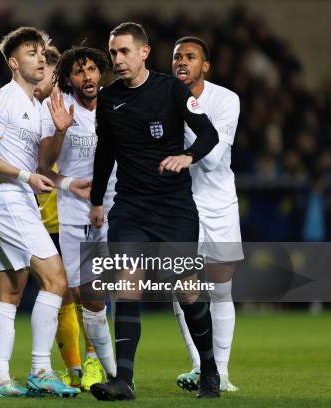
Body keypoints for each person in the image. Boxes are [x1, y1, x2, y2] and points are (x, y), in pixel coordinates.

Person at [87, 22, 220, 400]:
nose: (117, 59)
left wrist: (187, 155)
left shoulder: (172, 90)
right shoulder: (109, 99)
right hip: (130, 207)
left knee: (187, 291)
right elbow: (105, 154)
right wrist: (98, 200)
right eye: (113, 52)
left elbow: (208, 133)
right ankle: (124, 380)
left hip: (174, 207)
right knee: (127, 284)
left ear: (144, 52)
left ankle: (209, 369)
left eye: (124, 51)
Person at [0, 26, 80, 398]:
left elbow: (43, 165)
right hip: (7, 200)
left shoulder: (34, 106)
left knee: (9, 290)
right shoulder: (3, 100)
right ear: (14, 63)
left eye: (41, 53)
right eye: (32, 53)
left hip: (19, 200)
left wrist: (61, 132)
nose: (40, 58)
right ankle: (40, 369)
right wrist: (24, 176)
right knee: (56, 280)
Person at [38, 46, 117, 391]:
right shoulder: (57, 109)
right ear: (69, 79)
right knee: (77, 290)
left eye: (92, 70)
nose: (87, 77)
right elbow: (43, 165)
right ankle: (82, 365)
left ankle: (99, 364)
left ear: (101, 72)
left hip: (116, 207)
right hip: (72, 211)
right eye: (79, 72)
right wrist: (59, 131)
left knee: (100, 290)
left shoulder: (117, 105)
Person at [171, 36, 242, 393]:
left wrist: (184, 116)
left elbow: (212, 160)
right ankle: (202, 367)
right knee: (180, 288)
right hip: (179, 203)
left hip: (218, 205)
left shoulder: (226, 99)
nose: (182, 62)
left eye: (190, 57)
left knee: (220, 288)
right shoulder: (164, 95)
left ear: (205, 65)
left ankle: (223, 371)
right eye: (177, 57)